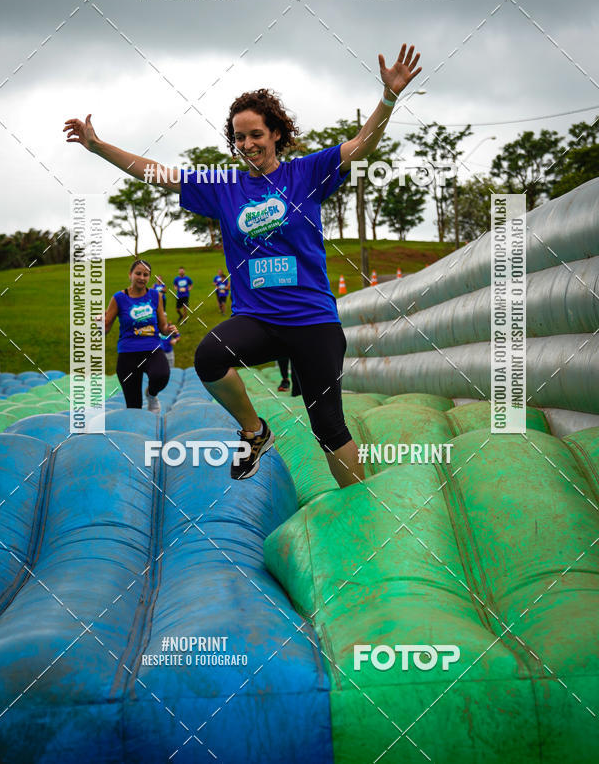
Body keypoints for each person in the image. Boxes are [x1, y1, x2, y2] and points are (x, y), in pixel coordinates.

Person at [64, 43, 421, 485]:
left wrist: (388, 97)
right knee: (209, 356)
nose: (247, 144)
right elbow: (157, 173)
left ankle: (361, 506)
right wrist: (98, 147)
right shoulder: (223, 187)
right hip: (259, 319)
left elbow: (361, 146)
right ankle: (254, 432)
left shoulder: (306, 173)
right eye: (238, 137)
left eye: (255, 134)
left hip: (313, 320)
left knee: (329, 427)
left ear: (276, 134)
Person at [100, 259, 170, 412]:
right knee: (133, 406)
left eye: (146, 275)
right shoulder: (118, 298)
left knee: (161, 376)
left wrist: (169, 329)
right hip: (128, 353)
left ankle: (151, 395)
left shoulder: (155, 295)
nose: (142, 278)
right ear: (130, 275)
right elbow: (104, 329)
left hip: (152, 349)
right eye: (138, 273)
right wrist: (98, 323)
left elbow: (163, 327)